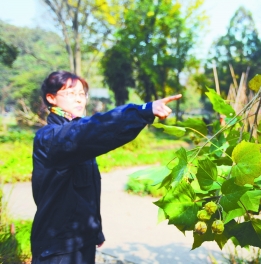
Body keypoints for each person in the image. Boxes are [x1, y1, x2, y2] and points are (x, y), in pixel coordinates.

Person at [31, 71, 181, 263]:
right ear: (51, 98)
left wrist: (95, 230)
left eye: (81, 94)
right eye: (70, 94)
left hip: (82, 240)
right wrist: (143, 110)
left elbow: (84, 193)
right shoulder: (51, 137)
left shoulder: (77, 136)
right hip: (58, 248)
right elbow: (97, 129)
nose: (79, 100)